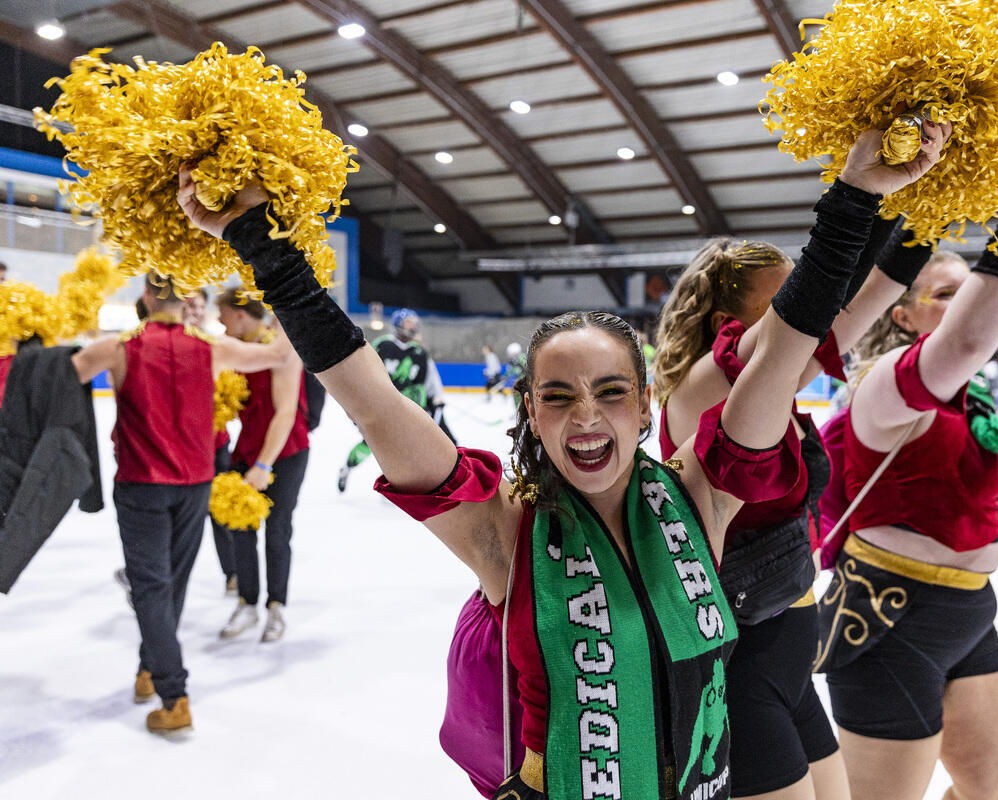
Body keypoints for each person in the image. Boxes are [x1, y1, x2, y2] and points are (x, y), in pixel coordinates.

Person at [176, 122, 945, 800]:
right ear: (529, 412)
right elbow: (374, 400)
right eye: (557, 395)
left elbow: (785, 346)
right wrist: (265, 250)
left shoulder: (704, 492)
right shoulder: (500, 528)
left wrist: (858, 194)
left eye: (611, 392)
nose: (585, 416)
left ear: (646, 407)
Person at [651, 148, 947, 799]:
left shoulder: (771, 377)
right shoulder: (703, 386)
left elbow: (865, 296)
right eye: (787, 297)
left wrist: (932, 199)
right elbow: (821, 295)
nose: (813, 306)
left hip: (789, 649)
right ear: (734, 318)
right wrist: (857, 193)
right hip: (739, 666)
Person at [814, 145, 998, 800]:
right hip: (886, 620)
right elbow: (963, 341)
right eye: (946, 296)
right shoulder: (881, 383)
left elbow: (946, 495)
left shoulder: (970, 396)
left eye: (967, 296)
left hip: (969, 614)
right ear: (901, 315)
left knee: (991, 791)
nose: (962, 309)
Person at [70, 274, 290, 733]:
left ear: (148, 297)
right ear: (186, 300)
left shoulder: (117, 347)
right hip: (195, 483)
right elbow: (275, 354)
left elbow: (60, 376)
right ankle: (150, 669)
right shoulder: (212, 348)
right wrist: (286, 297)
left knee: (150, 585)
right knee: (172, 581)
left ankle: (174, 696)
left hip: (141, 483)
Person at [214, 288, 309, 642]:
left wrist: (264, 466)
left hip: (286, 451)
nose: (220, 324)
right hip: (247, 449)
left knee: (277, 528)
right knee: (239, 528)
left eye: (223, 315)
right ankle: (247, 603)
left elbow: (285, 414)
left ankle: (276, 607)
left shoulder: (280, 348)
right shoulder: (237, 351)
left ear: (240, 315)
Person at [337, 308, 447, 491]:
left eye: (414, 323)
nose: (412, 327)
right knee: (371, 444)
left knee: (408, 449)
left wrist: (437, 398)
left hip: (410, 412)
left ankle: (397, 483)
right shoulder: (381, 346)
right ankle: (348, 467)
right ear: (397, 324)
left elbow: (432, 381)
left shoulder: (419, 353)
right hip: (382, 409)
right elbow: (364, 374)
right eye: (408, 323)